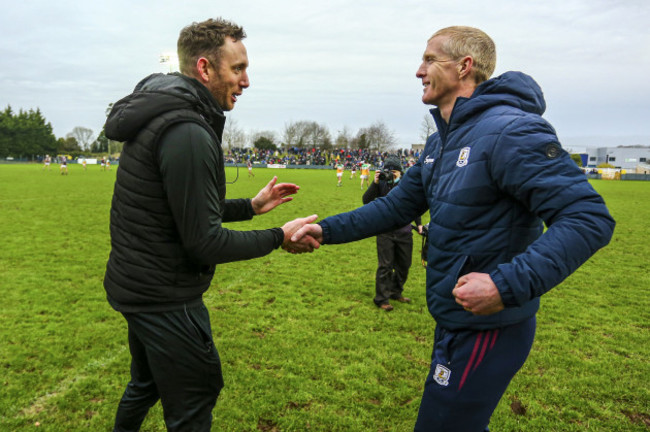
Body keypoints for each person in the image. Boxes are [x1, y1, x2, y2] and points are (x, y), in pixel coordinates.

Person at [290, 26, 615, 431]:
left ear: (464, 67)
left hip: (489, 328)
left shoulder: (509, 131)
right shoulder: (439, 143)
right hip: (454, 317)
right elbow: (393, 207)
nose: (418, 71)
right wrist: (324, 230)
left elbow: (588, 218)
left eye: (429, 59)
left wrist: (504, 285)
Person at [102, 18, 318, 431]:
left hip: (137, 285)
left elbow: (182, 208)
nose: (247, 81)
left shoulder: (162, 109)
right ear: (204, 68)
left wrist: (250, 207)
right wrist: (279, 236)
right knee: (194, 402)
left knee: (144, 385)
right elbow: (205, 242)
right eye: (237, 69)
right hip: (166, 297)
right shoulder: (186, 130)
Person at [363, 154, 422, 311]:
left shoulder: (406, 185)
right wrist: (375, 183)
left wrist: (419, 224)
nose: (391, 174)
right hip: (385, 231)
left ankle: (396, 292)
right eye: (388, 171)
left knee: (404, 265)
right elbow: (366, 201)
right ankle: (381, 299)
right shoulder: (381, 183)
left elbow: (414, 206)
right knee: (385, 266)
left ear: (401, 172)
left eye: (394, 171)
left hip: (404, 231)